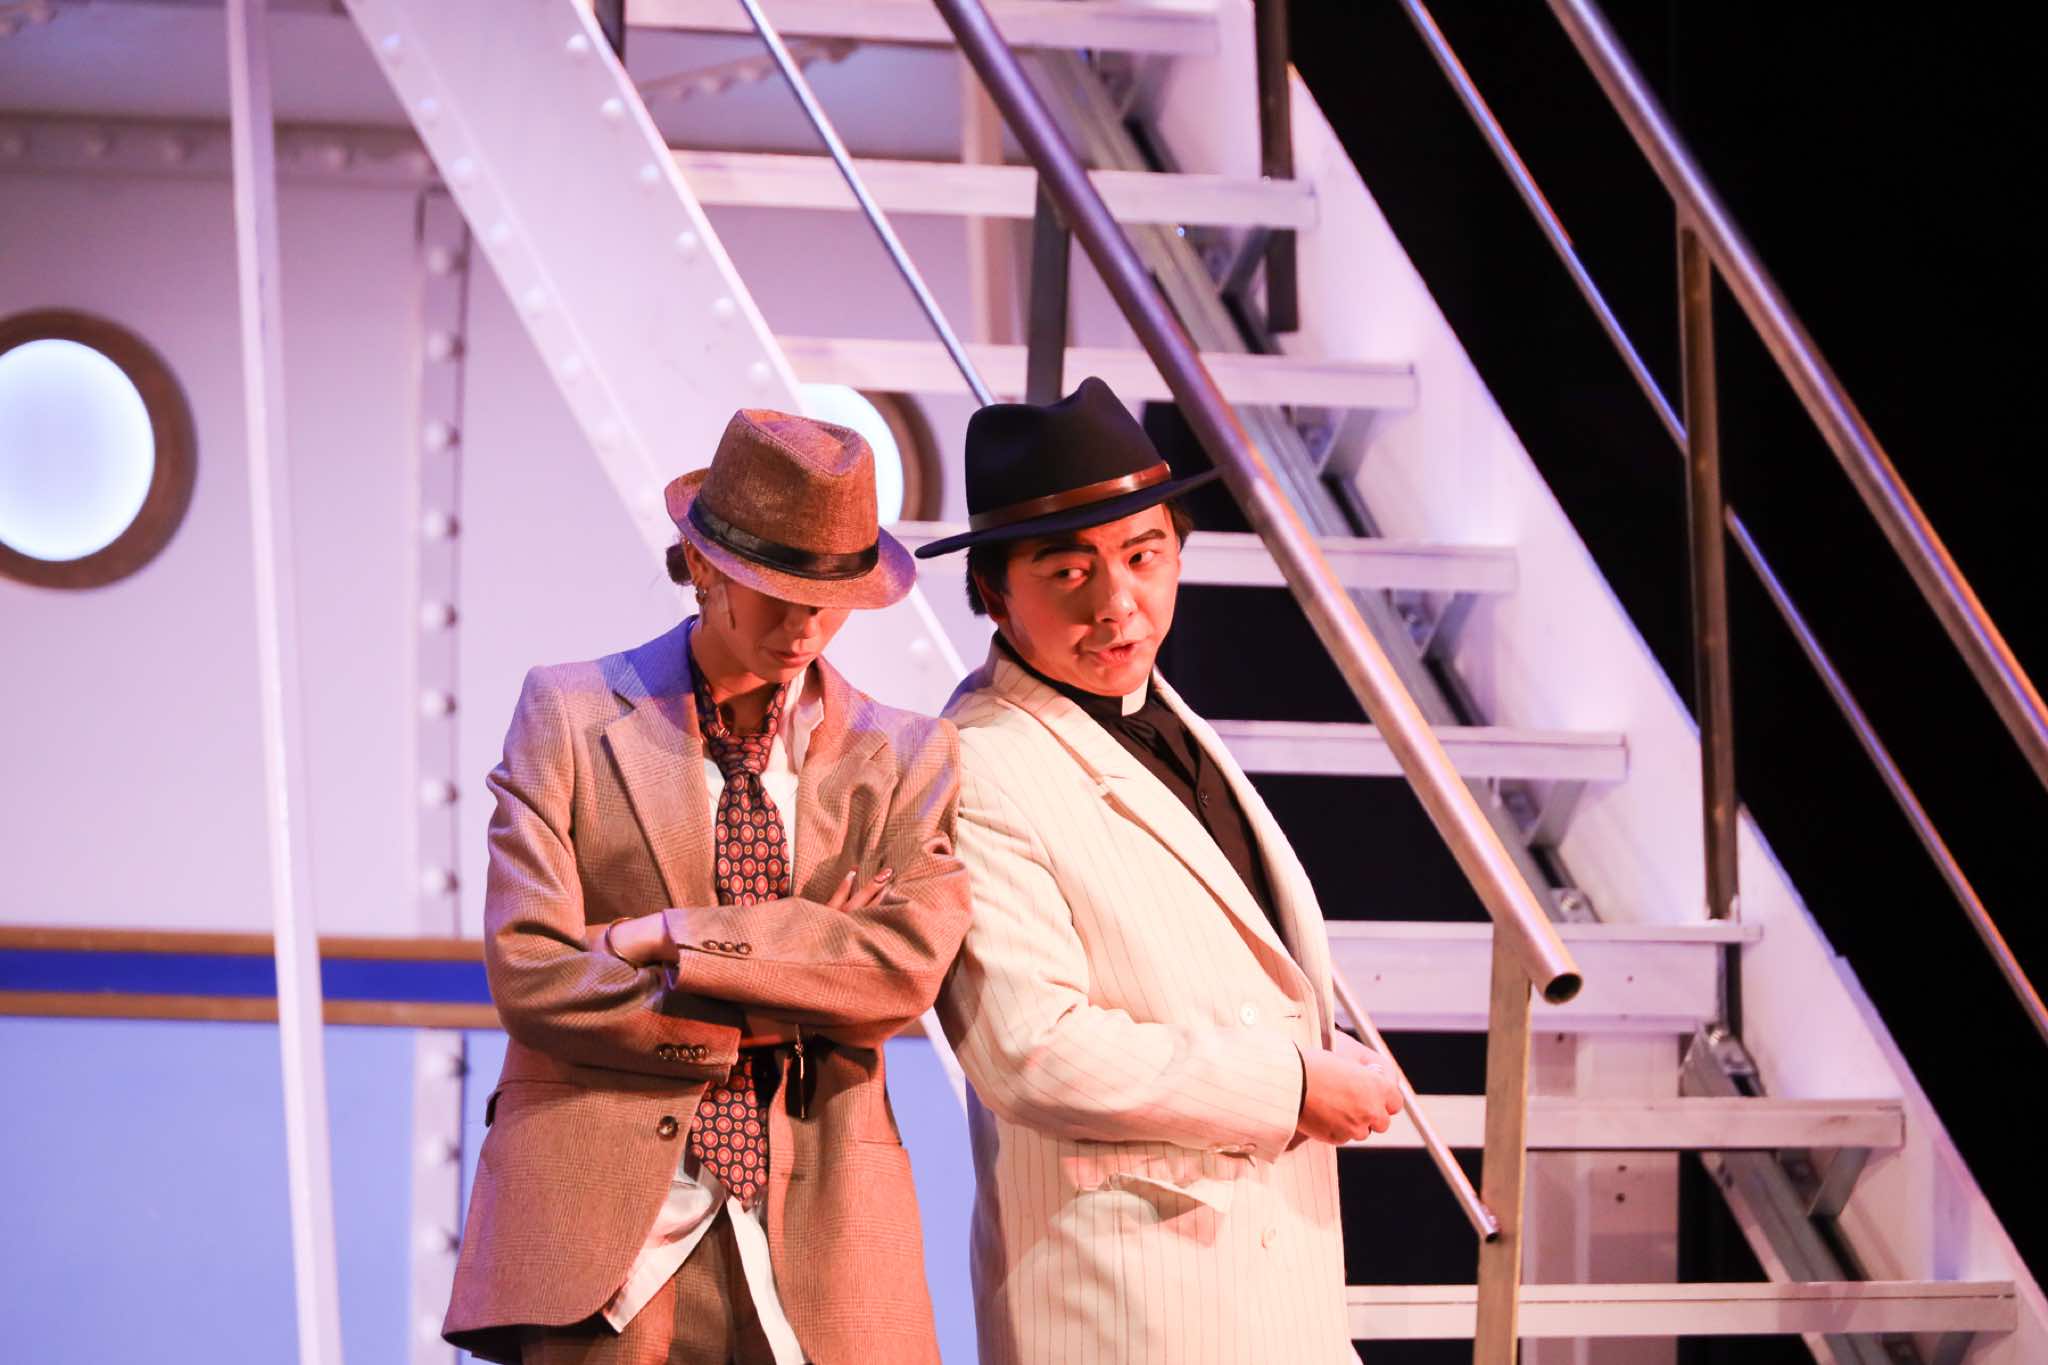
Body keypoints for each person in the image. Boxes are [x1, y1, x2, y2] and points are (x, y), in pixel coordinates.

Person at [444, 409, 972, 1365]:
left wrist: (660, 935)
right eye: (778, 591)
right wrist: (798, 969)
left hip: (823, 1216)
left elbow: (901, 970)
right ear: (702, 564)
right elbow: (530, 971)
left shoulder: (906, 754)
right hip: (602, 1223)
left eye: (832, 598)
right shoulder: (569, 713)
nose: (805, 625)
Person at [920, 377, 1403, 1364]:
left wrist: (1311, 1052)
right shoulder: (977, 760)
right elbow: (1032, 1048)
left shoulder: (1159, 710)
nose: (1117, 603)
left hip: (1262, 1285)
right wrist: (1289, 1085)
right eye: (1068, 571)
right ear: (992, 593)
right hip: (1128, 1308)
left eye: (1143, 557)